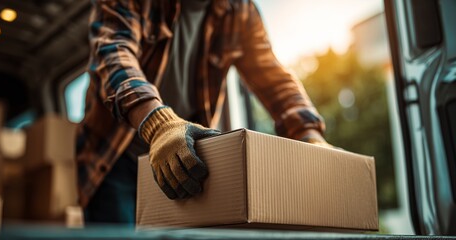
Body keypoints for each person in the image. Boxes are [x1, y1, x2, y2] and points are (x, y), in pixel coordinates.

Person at [76, 0, 329, 225]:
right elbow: (113, 54)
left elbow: (274, 79)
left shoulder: (240, 10)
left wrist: (308, 132)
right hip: (115, 158)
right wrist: (158, 124)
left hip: (183, 154)